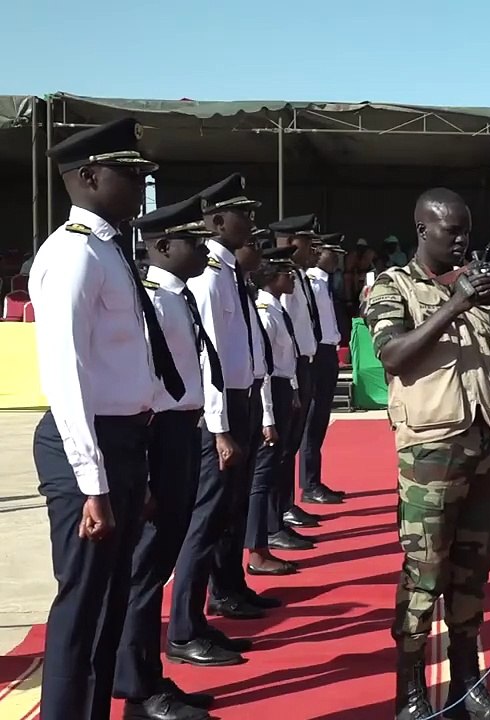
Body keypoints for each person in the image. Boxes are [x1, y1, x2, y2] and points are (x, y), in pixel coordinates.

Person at [30, 117, 184, 720]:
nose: (142, 181)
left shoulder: (107, 249)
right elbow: (66, 376)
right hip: (85, 445)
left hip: (124, 440)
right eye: (130, 171)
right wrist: (93, 483)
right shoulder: (71, 254)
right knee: (82, 606)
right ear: (89, 176)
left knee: (112, 599)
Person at [364, 188, 490, 720]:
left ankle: (466, 685)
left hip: (483, 443)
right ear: (422, 230)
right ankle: (410, 693)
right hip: (430, 451)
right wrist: (455, 305)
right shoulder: (394, 286)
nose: (461, 241)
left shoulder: (474, 282)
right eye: (451, 231)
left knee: (472, 571)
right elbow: (392, 355)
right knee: (424, 572)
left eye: (466, 231)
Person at [114, 196, 219, 720]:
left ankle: (150, 674)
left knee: (163, 558)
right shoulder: (151, 299)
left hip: (182, 429)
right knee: (147, 565)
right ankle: (137, 688)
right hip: (158, 433)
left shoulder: (178, 296)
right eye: (191, 242)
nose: (202, 250)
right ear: (160, 247)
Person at [167, 175, 265, 671]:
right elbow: (206, 359)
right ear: (218, 220)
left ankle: (216, 603)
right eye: (243, 214)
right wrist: (220, 426)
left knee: (225, 514)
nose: (251, 224)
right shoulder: (206, 277)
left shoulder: (228, 272)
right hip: (219, 409)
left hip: (241, 400)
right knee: (203, 521)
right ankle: (182, 629)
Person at [271, 215, 344, 509]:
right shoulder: (302, 281)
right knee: (303, 428)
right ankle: (300, 491)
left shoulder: (314, 281)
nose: (318, 252)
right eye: (314, 246)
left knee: (317, 421)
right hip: (303, 360)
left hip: (320, 353)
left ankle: (305, 488)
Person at [243, 246, 305, 577]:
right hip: (270, 393)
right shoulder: (265, 313)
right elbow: (263, 370)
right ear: (273, 278)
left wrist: (293, 390)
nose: (292, 278)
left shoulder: (276, 309)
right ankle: (259, 545)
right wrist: (267, 417)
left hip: (283, 390)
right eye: (287, 273)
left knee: (278, 467)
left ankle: (272, 529)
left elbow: (285, 357)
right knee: (263, 474)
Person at [299, 237, 345, 504]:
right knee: (312, 420)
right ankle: (309, 483)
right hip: (316, 353)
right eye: (332, 253)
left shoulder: (325, 283)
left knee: (321, 419)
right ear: (317, 252)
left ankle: (315, 480)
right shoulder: (309, 282)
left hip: (328, 352)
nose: (336, 259)